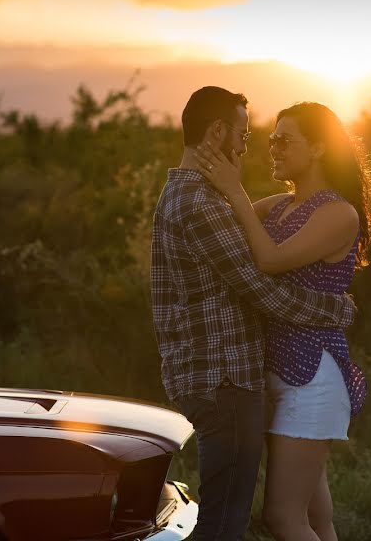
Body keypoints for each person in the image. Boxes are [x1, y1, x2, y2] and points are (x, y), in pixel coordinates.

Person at [151, 87, 358, 541]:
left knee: (291, 517)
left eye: (285, 141)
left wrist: (234, 191)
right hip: (237, 374)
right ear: (218, 131)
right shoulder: (216, 203)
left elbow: (263, 266)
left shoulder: (335, 212)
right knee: (279, 517)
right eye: (256, 136)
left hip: (302, 373)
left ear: (319, 147)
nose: (260, 147)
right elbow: (259, 283)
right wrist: (335, 308)